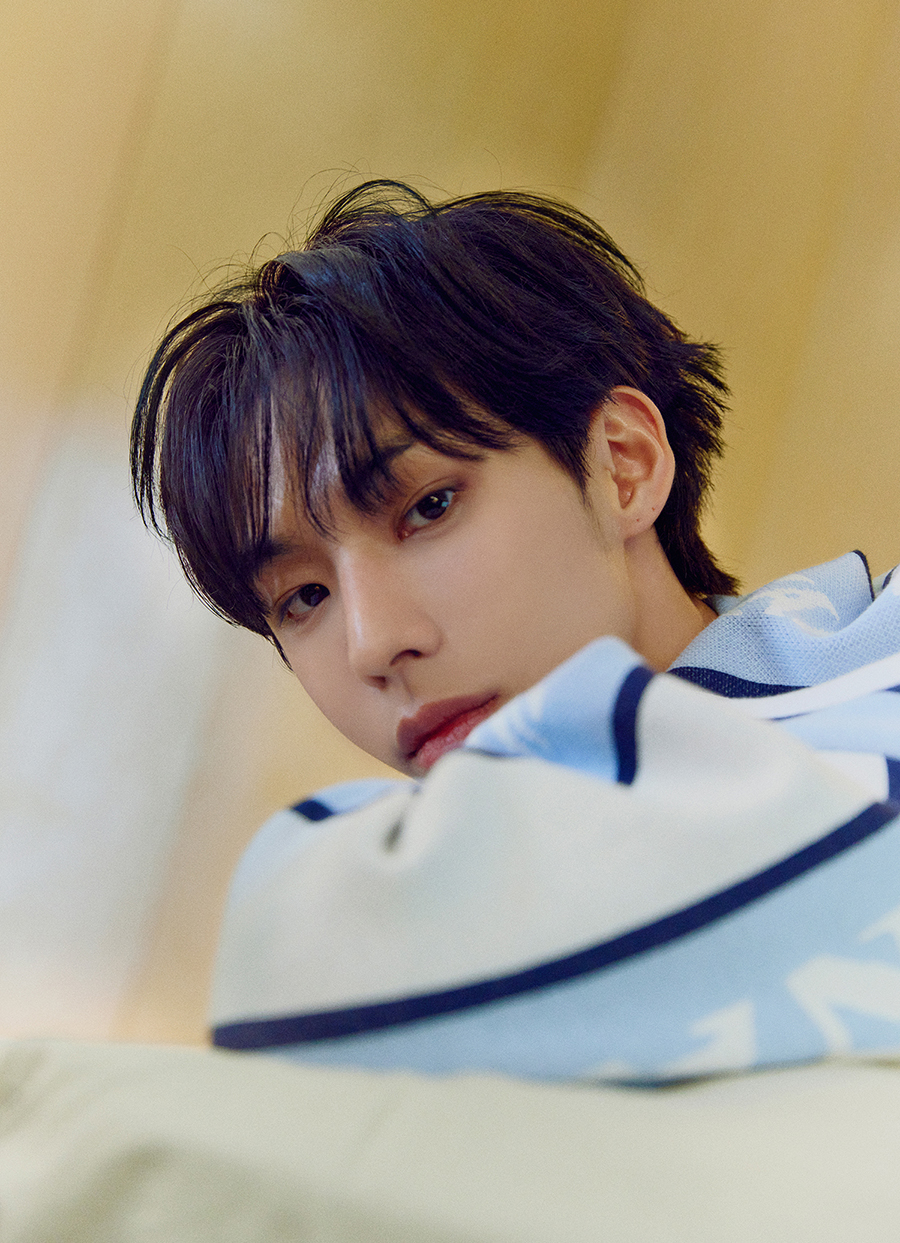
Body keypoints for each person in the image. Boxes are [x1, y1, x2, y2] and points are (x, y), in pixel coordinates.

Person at [132, 181, 900, 1081]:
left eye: (428, 508)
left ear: (621, 466)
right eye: (303, 597)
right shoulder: (440, 892)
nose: (373, 643)